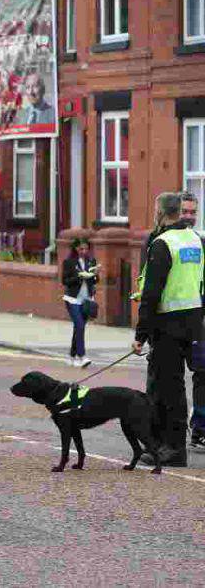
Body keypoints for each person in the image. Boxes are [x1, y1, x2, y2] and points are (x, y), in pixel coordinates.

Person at [134, 192, 204, 468]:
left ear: (162, 212)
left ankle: (173, 449)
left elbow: (151, 294)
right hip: (194, 322)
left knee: (169, 388)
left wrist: (141, 334)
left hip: (168, 325)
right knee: (179, 384)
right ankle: (168, 443)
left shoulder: (162, 243)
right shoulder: (195, 240)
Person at [176, 192, 205, 451]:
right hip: (172, 322)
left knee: (202, 373)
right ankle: (166, 431)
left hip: (198, 321)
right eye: (185, 211)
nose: (190, 216)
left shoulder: (200, 242)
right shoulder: (163, 241)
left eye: (193, 212)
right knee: (169, 380)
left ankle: (199, 428)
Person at [61, 238, 97, 369]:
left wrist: (94, 275)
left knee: (78, 328)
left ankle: (71, 356)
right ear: (75, 248)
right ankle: (82, 356)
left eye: (86, 248)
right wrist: (80, 276)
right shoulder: (69, 262)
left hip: (86, 300)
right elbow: (65, 281)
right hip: (73, 299)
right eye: (81, 248)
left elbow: (94, 281)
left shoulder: (91, 261)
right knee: (80, 325)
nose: (84, 251)